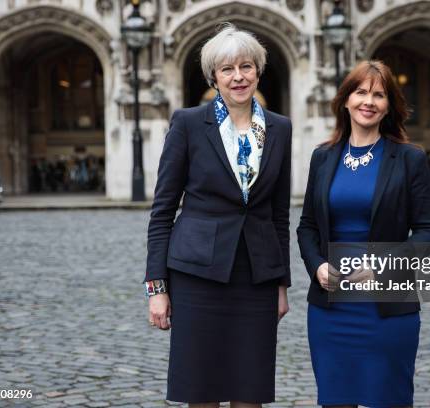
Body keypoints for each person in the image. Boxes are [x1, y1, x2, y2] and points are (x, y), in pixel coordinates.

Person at [143, 23, 292, 407]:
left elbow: (279, 214)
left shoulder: (280, 128)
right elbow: (162, 212)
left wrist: (281, 284)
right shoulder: (189, 123)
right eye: (227, 69)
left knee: (250, 391)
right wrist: (157, 289)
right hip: (196, 276)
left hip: (256, 277)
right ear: (214, 76)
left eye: (246, 67)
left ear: (258, 71)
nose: (238, 77)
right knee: (201, 389)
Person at [297, 60, 430, 408]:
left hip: (386, 310)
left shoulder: (410, 159)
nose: (369, 101)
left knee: (387, 399)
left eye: (379, 95)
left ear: (389, 105)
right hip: (330, 310)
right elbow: (307, 226)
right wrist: (317, 265)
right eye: (361, 92)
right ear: (345, 100)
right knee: (336, 400)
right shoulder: (323, 157)